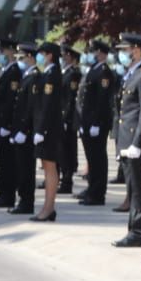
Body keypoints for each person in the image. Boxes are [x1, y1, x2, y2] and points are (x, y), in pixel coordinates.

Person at [114, 33, 141, 247]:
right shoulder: (130, 74)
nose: (122, 53)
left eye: (126, 49)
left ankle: (138, 232)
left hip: (134, 141)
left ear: (137, 50)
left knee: (139, 189)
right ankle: (132, 229)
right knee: (132, 187)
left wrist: (137, 142)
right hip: (126, 139)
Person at [76, 39, 116, 206]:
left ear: (100, 53)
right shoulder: (93, 70)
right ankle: (92, 188)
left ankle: (98, 193)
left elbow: (102, 100)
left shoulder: (104, 72)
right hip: (87, 121)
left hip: (96, 123)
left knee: (98, 158)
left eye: (92, 51)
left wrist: (97, 123)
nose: (90, 54)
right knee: (92, 158)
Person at [30, 41, 65, 222]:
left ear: (50, 55)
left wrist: (41, 129)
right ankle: (46, 206)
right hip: (45, 128)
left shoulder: (53, 74)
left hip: (49, 129)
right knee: (46, 167)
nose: (40, 57)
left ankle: (49, 207)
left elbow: (48, 105)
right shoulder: (47, 73)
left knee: (50, 168)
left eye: (42, 53)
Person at [0, 40, 23, 210]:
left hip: (6, 124)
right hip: (0, 122)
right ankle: (3, 193)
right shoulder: (4, 71)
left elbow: (11, 101)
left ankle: (7, 194)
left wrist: (7, 124)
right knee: (2, 161)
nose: (0, 54)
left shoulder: (14, 71)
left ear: (10, 51)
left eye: (2, 51)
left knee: (7, 162)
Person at [10, 41, 40, 216]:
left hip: (26, 132)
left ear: (29, 57)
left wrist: (24, 130)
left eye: (21, 57)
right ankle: (22, 199)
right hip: (19, 130)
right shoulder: (27, 75)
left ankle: (26, 201)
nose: (19, 61)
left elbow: (31, 107)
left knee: (26, 169)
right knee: (21, 167)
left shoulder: (34, 76)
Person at [60, 46, 83, 197]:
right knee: (62, 150)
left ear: (70, 57)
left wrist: (66, 118)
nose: (62, 58)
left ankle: (67, 180)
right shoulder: (64, 73)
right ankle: (63, 178)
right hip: (62, 117)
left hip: (67, 118)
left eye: (64, 56)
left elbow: (70, 99)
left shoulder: (73, 74)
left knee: (68, 151)